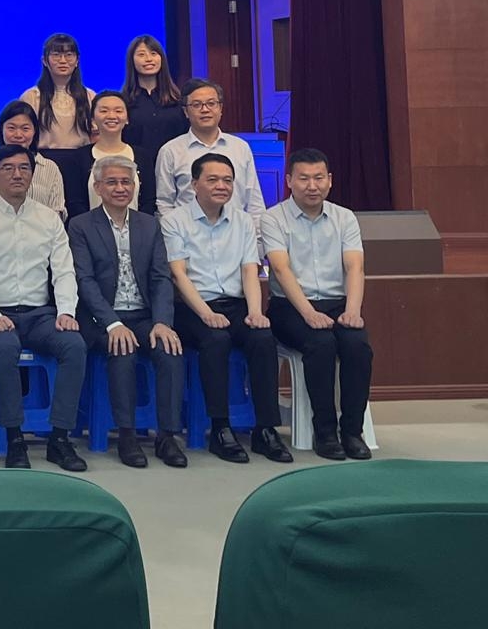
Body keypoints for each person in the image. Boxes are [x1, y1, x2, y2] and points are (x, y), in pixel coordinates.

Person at [0, 144, 89, 472]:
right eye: (8, 168)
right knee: (5, 348)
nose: (17, 174)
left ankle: (59, 438)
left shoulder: (48, 218)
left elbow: (64, 270)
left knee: (74, 345)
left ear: (32, 174)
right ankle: (14, 438)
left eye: (24, 168)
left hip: (39, 314)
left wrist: (66, 312)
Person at [162, 153, 292, 464]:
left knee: (262, 338)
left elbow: (250, 270)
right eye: (213, 179)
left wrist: (255, 311)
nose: (221, 186)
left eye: (227, 180)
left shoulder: (243, 221)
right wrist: (206, 313)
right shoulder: (174, 221)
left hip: (235, 304)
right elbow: (178, 275)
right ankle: (220, 428)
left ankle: (265, 429)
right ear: (194, 184)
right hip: (191, 307)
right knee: (216, 339)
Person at [66, 156, 187, 469]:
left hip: (144, 315)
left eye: (126, 182)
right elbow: (84, 281)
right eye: (112, 182)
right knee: (123, 349)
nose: (120, 188)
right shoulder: (81, 225)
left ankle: (167, 435)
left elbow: (161, 277)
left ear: (135, 187)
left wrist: (162, 322)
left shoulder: (149, 224)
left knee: (169, 348)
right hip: (101, 318)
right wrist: (112, 323)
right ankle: (127, 435)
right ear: (97, 187)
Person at [261, 148, 374, 461]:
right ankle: (324, 432)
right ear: (289, 181)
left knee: (358, 346)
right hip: (290, 306)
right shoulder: (273, 218)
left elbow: (355, 266)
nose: (312, 186)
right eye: (304, 178)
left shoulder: (344, 217)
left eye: (319, 178)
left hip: (337, 303)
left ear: (330, 180)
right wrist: (309, 312)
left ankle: (352, 432)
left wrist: (353, 311)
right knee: (320, 344)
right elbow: (280, 269)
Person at [154, 78, 266, 228]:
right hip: (188, 236)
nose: (205, 109)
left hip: (235, 234)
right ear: (186, 112)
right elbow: (164, 204)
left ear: (221, 108)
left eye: (211, 103)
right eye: (196, 105)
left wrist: (257, 237)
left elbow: (254, 201)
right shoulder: (170, 151)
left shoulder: (240, 147)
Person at [19, 33, 95, 218]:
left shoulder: (89, 96)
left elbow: (96, 136)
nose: (63, 60)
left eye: (69, 55)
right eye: (56, 55)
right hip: (44, 163)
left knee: (80, 216)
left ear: (77, 60)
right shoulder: (32, 96)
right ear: (45, 61)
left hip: (81, 164)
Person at [0, 100, 67, 217]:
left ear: (34, 131)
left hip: (42, 228)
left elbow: (57, 211)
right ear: (1, 130)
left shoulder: (50, 168)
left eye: (25, 129)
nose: (18, 135)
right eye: (11, 128)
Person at [81, 91, 156, 215]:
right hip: (90, 227)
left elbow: (149, 202)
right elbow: (77, 205)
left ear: (127, 118)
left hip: (136, 226)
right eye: (104, 111)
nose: (111, 116)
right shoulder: (79, 158)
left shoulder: (143, 156)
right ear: (93, 118)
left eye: (118, 111)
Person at [122, 34, 187, 152]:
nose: (149, 59)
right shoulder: (124, 102)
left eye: (153, 53)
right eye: (141, 54)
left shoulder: (178, 100)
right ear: (131, 60)